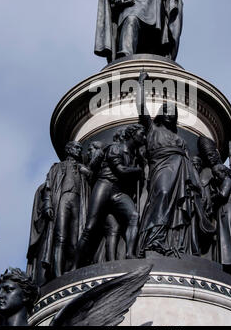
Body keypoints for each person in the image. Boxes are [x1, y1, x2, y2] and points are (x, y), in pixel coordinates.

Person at [137, 71, 199, 257]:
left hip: (180, 170)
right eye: (168, 111)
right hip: (161, 167)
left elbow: (188, 159)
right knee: (162, 194)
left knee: (178, 206)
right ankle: (152, 239)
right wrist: (140, 84)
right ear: (161, 114)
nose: (171, 114)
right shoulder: (152, 129)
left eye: (174, 112)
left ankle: (171, 242)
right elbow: (141, 107)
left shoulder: (180, 140)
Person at [75, 124, 146, 268]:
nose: (144, 138)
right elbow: (120, 170)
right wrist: (137, 171)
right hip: (104, 186)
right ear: (132, 134)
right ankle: (73, 266)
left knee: (133, 216)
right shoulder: (115, 148)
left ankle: (130, 254)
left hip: (118, 192)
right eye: (141, 134)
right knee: (90, 227)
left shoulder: (135, 155)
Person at [27, 141, 90, 283]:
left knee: (76, 239)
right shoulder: (57, 167)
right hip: (62, 200)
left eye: (80, 149)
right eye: (76, 148)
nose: (79, 151)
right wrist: (48, 204)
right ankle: (58, 272)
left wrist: (87, 173)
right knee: (60, 237)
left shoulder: (82, 168)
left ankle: (74, 269)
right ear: (68, 150)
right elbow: (48, 186)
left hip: (77, 201)